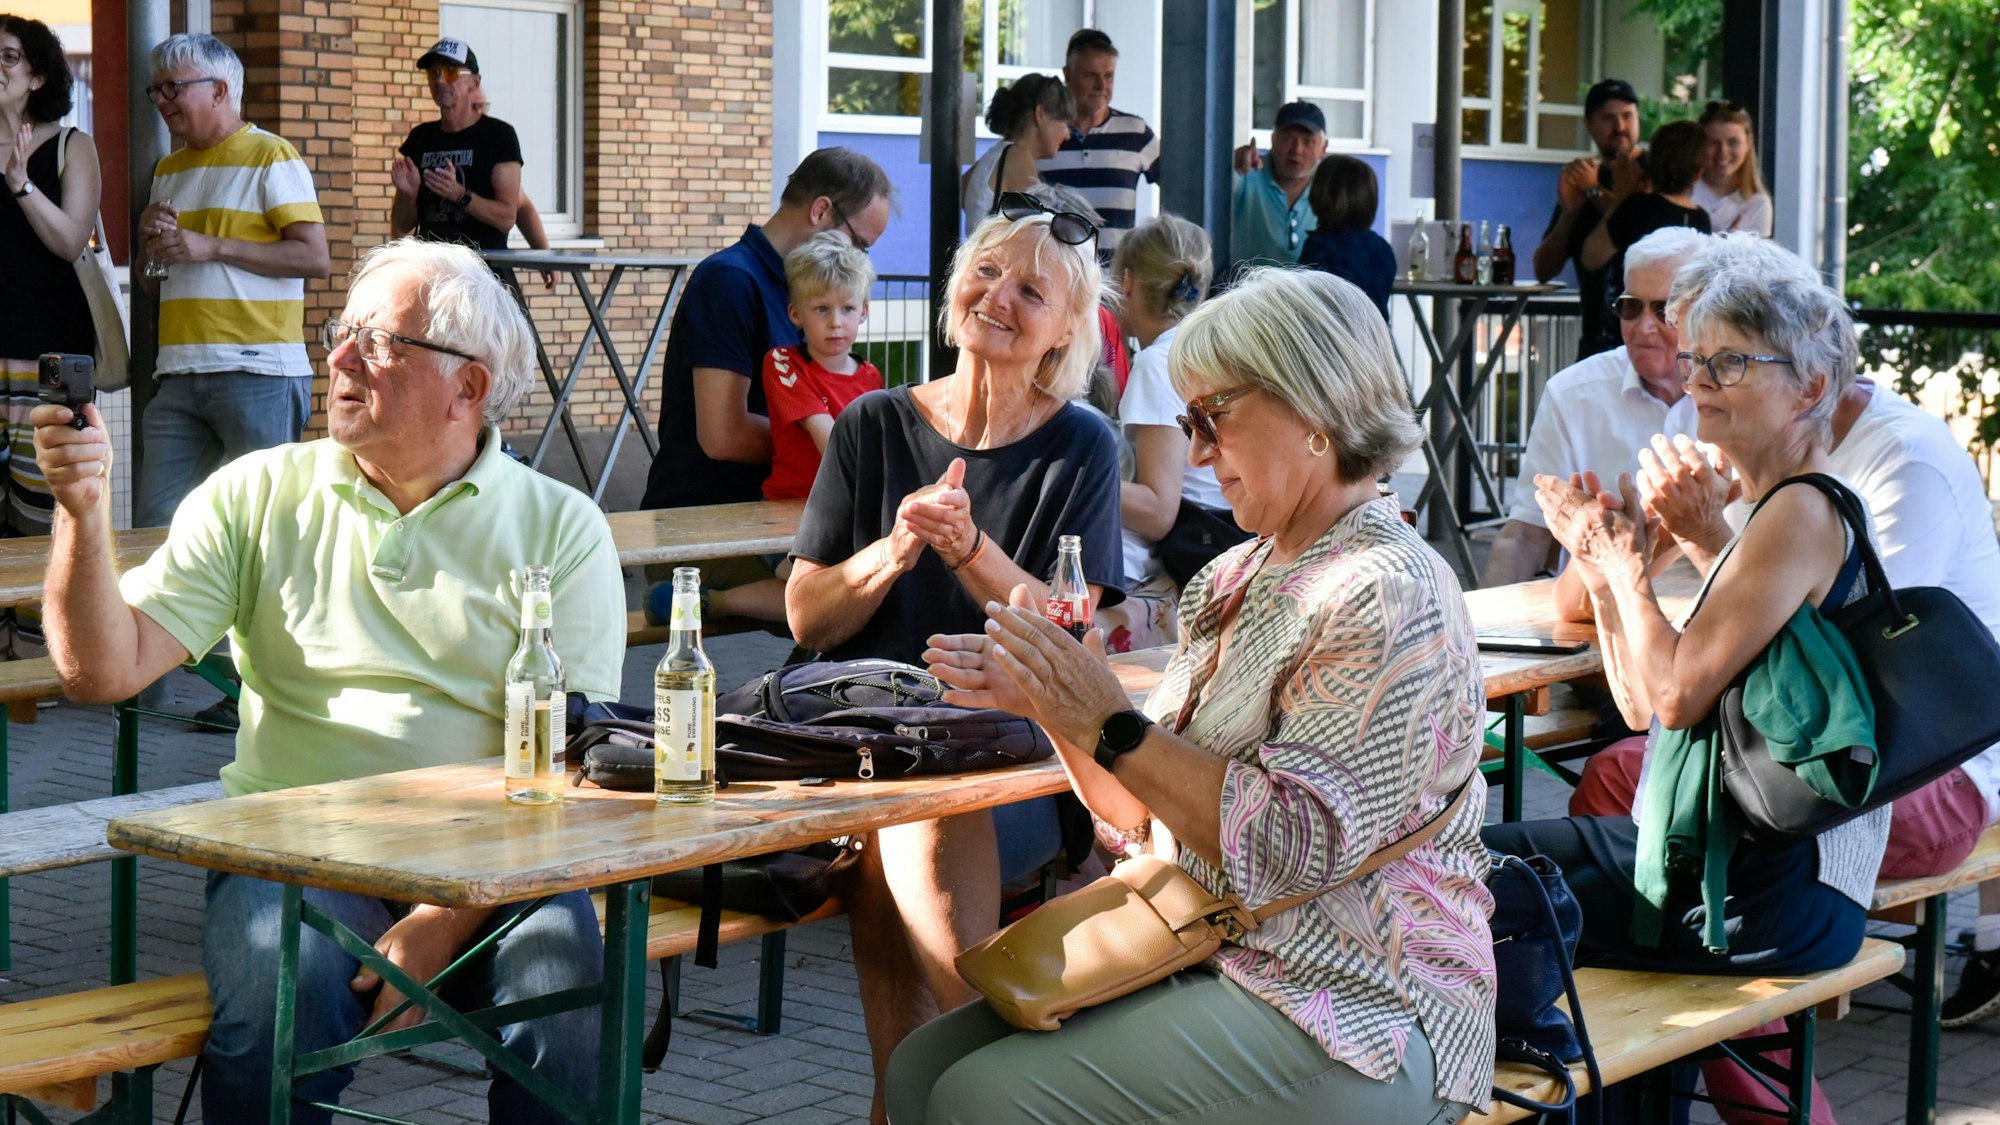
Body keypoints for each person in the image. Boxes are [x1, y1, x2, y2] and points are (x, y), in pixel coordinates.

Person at [34, 238, 622, 1123]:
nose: (337, 358)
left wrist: (441, 918)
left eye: (379, 343)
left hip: (499, 855)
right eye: (343, 331)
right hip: (288, 845)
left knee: (567, 990)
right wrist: (82, 516)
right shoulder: (256, 492)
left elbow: (574, 765)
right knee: (281, 1005)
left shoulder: (562, 526)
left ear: (470, 386)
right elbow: (100, 672)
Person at [894, 267, 1494, 1124]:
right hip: (1213, 946)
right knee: (922, 1070)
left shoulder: (1385, 586)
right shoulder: (1234, 574)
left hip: (1362, 1002)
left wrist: (1106, 715)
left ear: (1314, 413)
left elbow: (1291, 846)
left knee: (983, 1100)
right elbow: (1137, 822)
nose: (1199, 453)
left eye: (1211, 418)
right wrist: (1058, 708)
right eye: (1189, 423)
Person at [1485, 235, 1886, 1123]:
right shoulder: (1763, 510)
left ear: (1811, 387)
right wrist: (1603, 561)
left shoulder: (1800, 513)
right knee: (1484, 868)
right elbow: (1642, 701)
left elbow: (1669, 695)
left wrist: (1623, 565)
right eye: (1699, 357)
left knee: (1471, 885)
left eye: (1731, 361)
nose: (1698, 379)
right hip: (1734, 870)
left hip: (1766, 896)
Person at [784, 195, 1125, 1123]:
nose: (999, 297)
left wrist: (968, 547)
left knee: (908, 816)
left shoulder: (1082, 444)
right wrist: (895, 548)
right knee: (894, 812)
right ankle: (979, 1089)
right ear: (952, 286)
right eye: (985, 271)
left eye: (1031, 289)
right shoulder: (872, 424)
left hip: (1010, 767)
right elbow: (808, 617)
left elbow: (1071, 639)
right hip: (851, 753)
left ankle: (970, 1088)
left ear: (1063, 330)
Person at [134, 32, 329, 532]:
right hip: (177, 373)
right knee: (157, 529)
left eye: (174, 88)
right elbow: (157, 287)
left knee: (265, 528)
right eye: (156, 91)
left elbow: (315, 257)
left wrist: (212, 245)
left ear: (220, 91)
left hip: (258, 372)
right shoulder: (168, 169)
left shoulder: (272, 155)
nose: (162, 102)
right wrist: (148, 249)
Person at [638, 147, 891, 523]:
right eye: (859, 244)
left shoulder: (806, 289)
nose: (860, 260)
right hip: (706, 521)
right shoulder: (729, 281)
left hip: (774, 513)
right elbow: (722, 435)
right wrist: (836, 443)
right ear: (820, 210)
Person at [665, 231, 882, 626]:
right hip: (789, 517)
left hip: (841, 516)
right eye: (821, 310)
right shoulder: (784, 364)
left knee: (849, 597)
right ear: (795, 313)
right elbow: (833, 441)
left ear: (864, 311)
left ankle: (715, 603)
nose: (836, 323)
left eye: (847, 309)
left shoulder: (870, 376)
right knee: (825, 595)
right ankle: (717, 604)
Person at [1482, 227, 1709, 586]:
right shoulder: (1573, 394)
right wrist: (1479, 636)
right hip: (1597, 611)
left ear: (1705, 312)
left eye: (1664, 310)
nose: (1644, 327)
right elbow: (1526, 533)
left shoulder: (1740, 392)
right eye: (1631, 307)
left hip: (1717, 610)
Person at [0, 14, 98, 658]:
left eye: (7, 57)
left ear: (37, 75)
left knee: (40, 509)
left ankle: (36, 656)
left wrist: (18, 182)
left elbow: (69, 240)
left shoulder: (70, 146)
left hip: (50, 358)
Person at [1095, 213, 1229, 654]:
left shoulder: (1157, 365)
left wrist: (1074, 479)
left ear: (1127, 282)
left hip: (1204, 548)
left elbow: (1157, 509)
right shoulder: (1213, 348)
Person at [1532, 78, 1642, 358]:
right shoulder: (1581, 182)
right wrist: (1569, 214)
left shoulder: (1652, 173)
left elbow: (1642, 229)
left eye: (1627, 116)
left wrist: (1594, 190)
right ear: (1589, 125)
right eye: (1608, 118)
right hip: (1597, 343)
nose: (1619, 127)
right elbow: (1543, 269)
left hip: (1651, 341)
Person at [391, 38, 523, 252]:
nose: (440, 80)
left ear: (475, 81)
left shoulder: (499, 136)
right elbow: (402, 225)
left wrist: (459, 194)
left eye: (451, 72)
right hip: (433, 269)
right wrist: (409, 195)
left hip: (481, 272)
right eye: (433, 73)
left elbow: (506, 217)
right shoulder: (420, 138)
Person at [1036, 29, 1160, 255]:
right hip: (1056, 279)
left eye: (1109, 75)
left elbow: (1187, 181)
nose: (1101, 86)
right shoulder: (1042, 133)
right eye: (1091, 75)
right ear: (1068, 74)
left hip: (1115, 284)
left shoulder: (1136, 132)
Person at [1579, 119, 1711, 317]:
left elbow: (1590, 257)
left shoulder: (1638, 207)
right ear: (1698, 171)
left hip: (1629, 316)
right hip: (1675, 321)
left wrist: (1621, 198)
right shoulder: (1701, 219)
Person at [960, 73, 1074, 231]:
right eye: (1064, 122)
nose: (1067, 134)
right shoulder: (1017, 156)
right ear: (1040, 114)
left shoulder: (996, 155)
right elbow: (1044, 230)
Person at [1228, 100, 1328, 271]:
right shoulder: (1246, 172)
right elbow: (1199, 187)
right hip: (1246, 295)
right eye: (1287, 139)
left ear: (1323, 148)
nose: (1296, 149)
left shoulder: (1330, 186)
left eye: (1308, 141)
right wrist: (1230, 164)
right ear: (1273, 139)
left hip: (1305, 297)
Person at [1297, 152, 1396, 319]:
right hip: (1375, 339)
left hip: (1332, 341)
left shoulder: (1319, 247)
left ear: (1321, 195)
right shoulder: (1382, 248)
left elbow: (1304, 304)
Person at [1693, 100, 1773, 237]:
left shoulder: (1757, 204)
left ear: (1748, 143)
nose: (1723, 152)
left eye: (1733, 142)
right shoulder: (1685, 193)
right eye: (1713, 143)